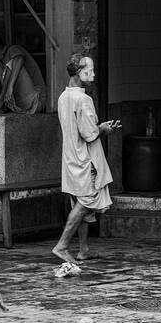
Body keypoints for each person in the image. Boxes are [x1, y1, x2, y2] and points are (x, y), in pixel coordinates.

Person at [54, 53, 120, 267]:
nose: (92, 75)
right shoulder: (83, 99)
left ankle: (83, 249)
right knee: (86, 202)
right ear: (78, 73)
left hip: (71, 157)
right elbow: (89, 133)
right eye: (88, 71)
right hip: (85, 159)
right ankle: (62, 245)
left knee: (79, 201)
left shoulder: (64, 97)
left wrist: (97, 127)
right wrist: (103, 129)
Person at [0, 34, 46, 115]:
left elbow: (19, 60)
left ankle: (1, 100)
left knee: (12, 63)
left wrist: (9, 88)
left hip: (35, 101)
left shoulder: (13, 49)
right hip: (18, 106)